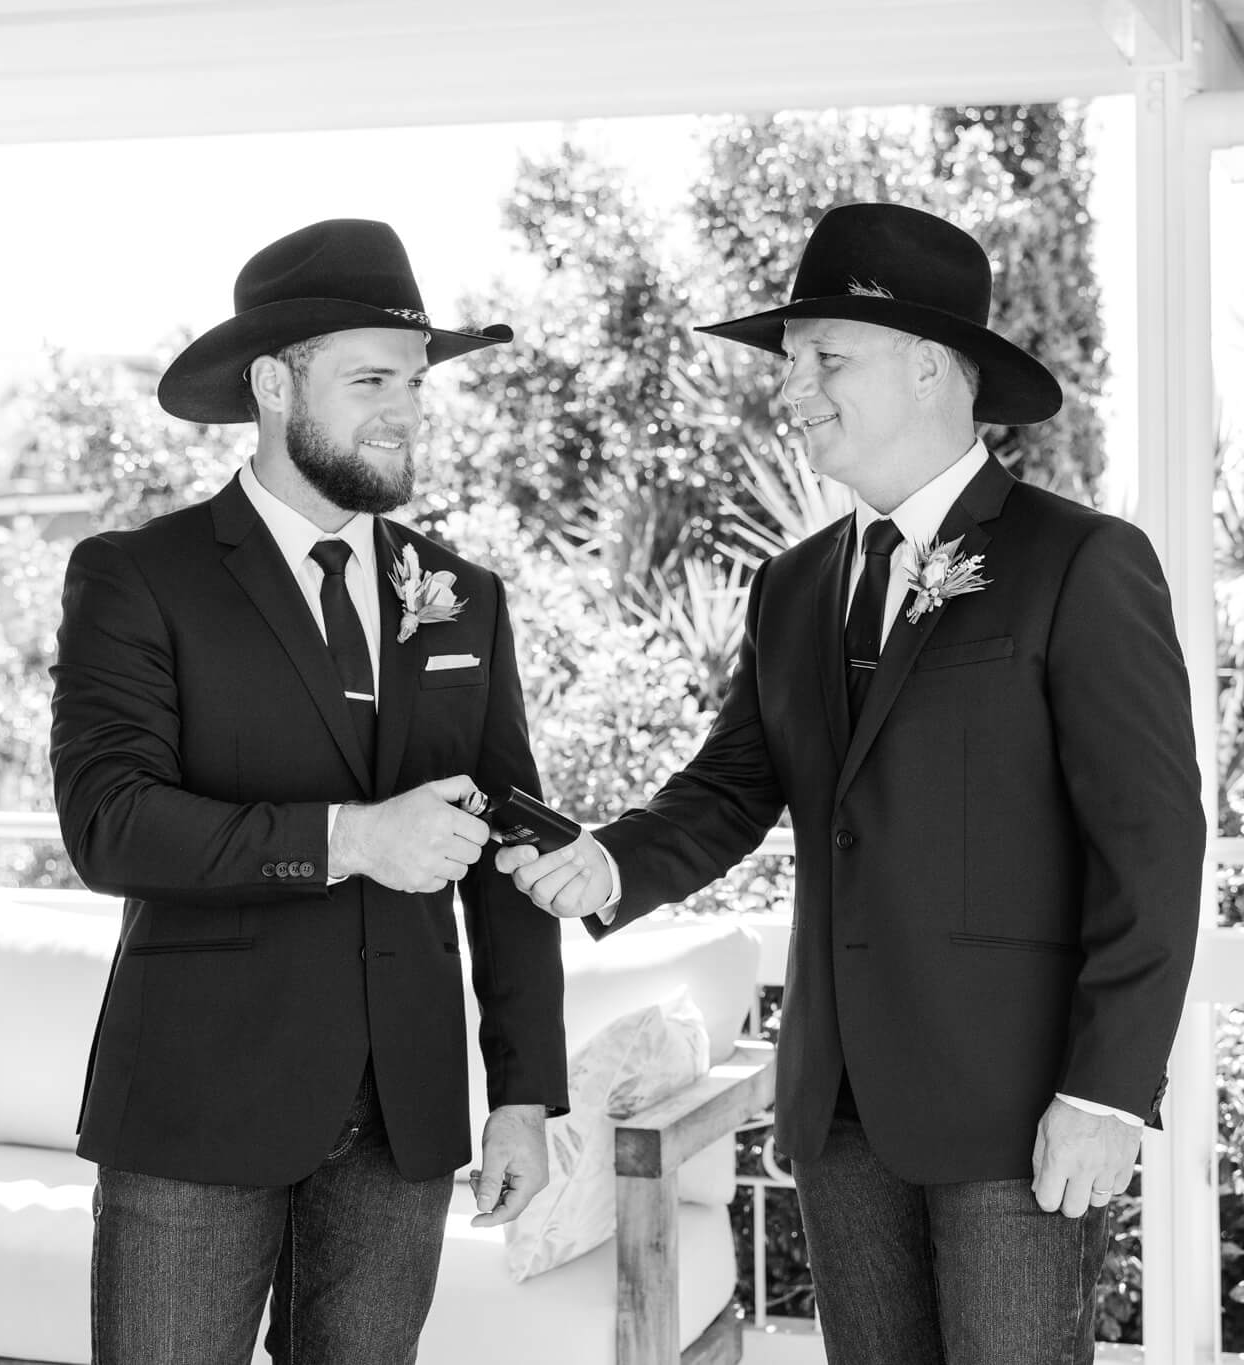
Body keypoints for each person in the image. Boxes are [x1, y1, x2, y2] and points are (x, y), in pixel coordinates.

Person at [499, 202, 1204, 1364]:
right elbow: (731, 786)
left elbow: (1151, 844)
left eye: (824, 359)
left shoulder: (1079, 561)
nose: (792, 393)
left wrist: (1109, 1090)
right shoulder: (791, 587)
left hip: (1016, 1109)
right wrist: (609, 860)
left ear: (930, 368)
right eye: (788, 367)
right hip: (836, 1110)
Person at [50, 218, 569, 1364]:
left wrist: (527, 1091)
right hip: (196, 1106)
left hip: (406, 1119)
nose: (405, 409)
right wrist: (349, 838)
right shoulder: (139, 578)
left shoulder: (462, 596)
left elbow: (507, 854)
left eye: (416, 384)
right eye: (372, 378)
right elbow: (108, 825)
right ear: (275, 384)